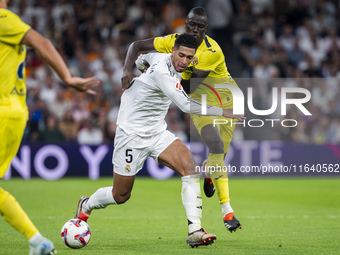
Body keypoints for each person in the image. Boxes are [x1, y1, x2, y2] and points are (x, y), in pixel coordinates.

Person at [74, 34, 245, 248]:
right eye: (181, 55)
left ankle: (195, 231)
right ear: (172, 51)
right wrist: (223, 112)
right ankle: (86, 204)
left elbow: (142, 58)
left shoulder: (157, 58)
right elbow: (185, 104)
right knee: (121, 195)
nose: (184, 61)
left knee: (190, 168)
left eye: (189, 58)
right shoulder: (164, 73)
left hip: (156, 131)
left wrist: (136, 67)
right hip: (131, 133)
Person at [121, 7, 242, 233]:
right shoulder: (175, 42)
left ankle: (210, 171)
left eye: (200, 26)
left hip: (224, 98)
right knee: (215, 146)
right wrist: (128, 69)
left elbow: (187, 83)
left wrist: (159, 70)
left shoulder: (211, 51)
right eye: (191, 24)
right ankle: (227, 211)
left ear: (206, 29)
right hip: (199, 100)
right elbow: (136, 46)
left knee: (219, 156)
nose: (195, 29)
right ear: (185, 23)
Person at [0, 0, 100, 254]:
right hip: (12, 111)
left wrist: (67, 78)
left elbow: (42, 42)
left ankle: (37, 241)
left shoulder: (3, 19)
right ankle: (37, 242)